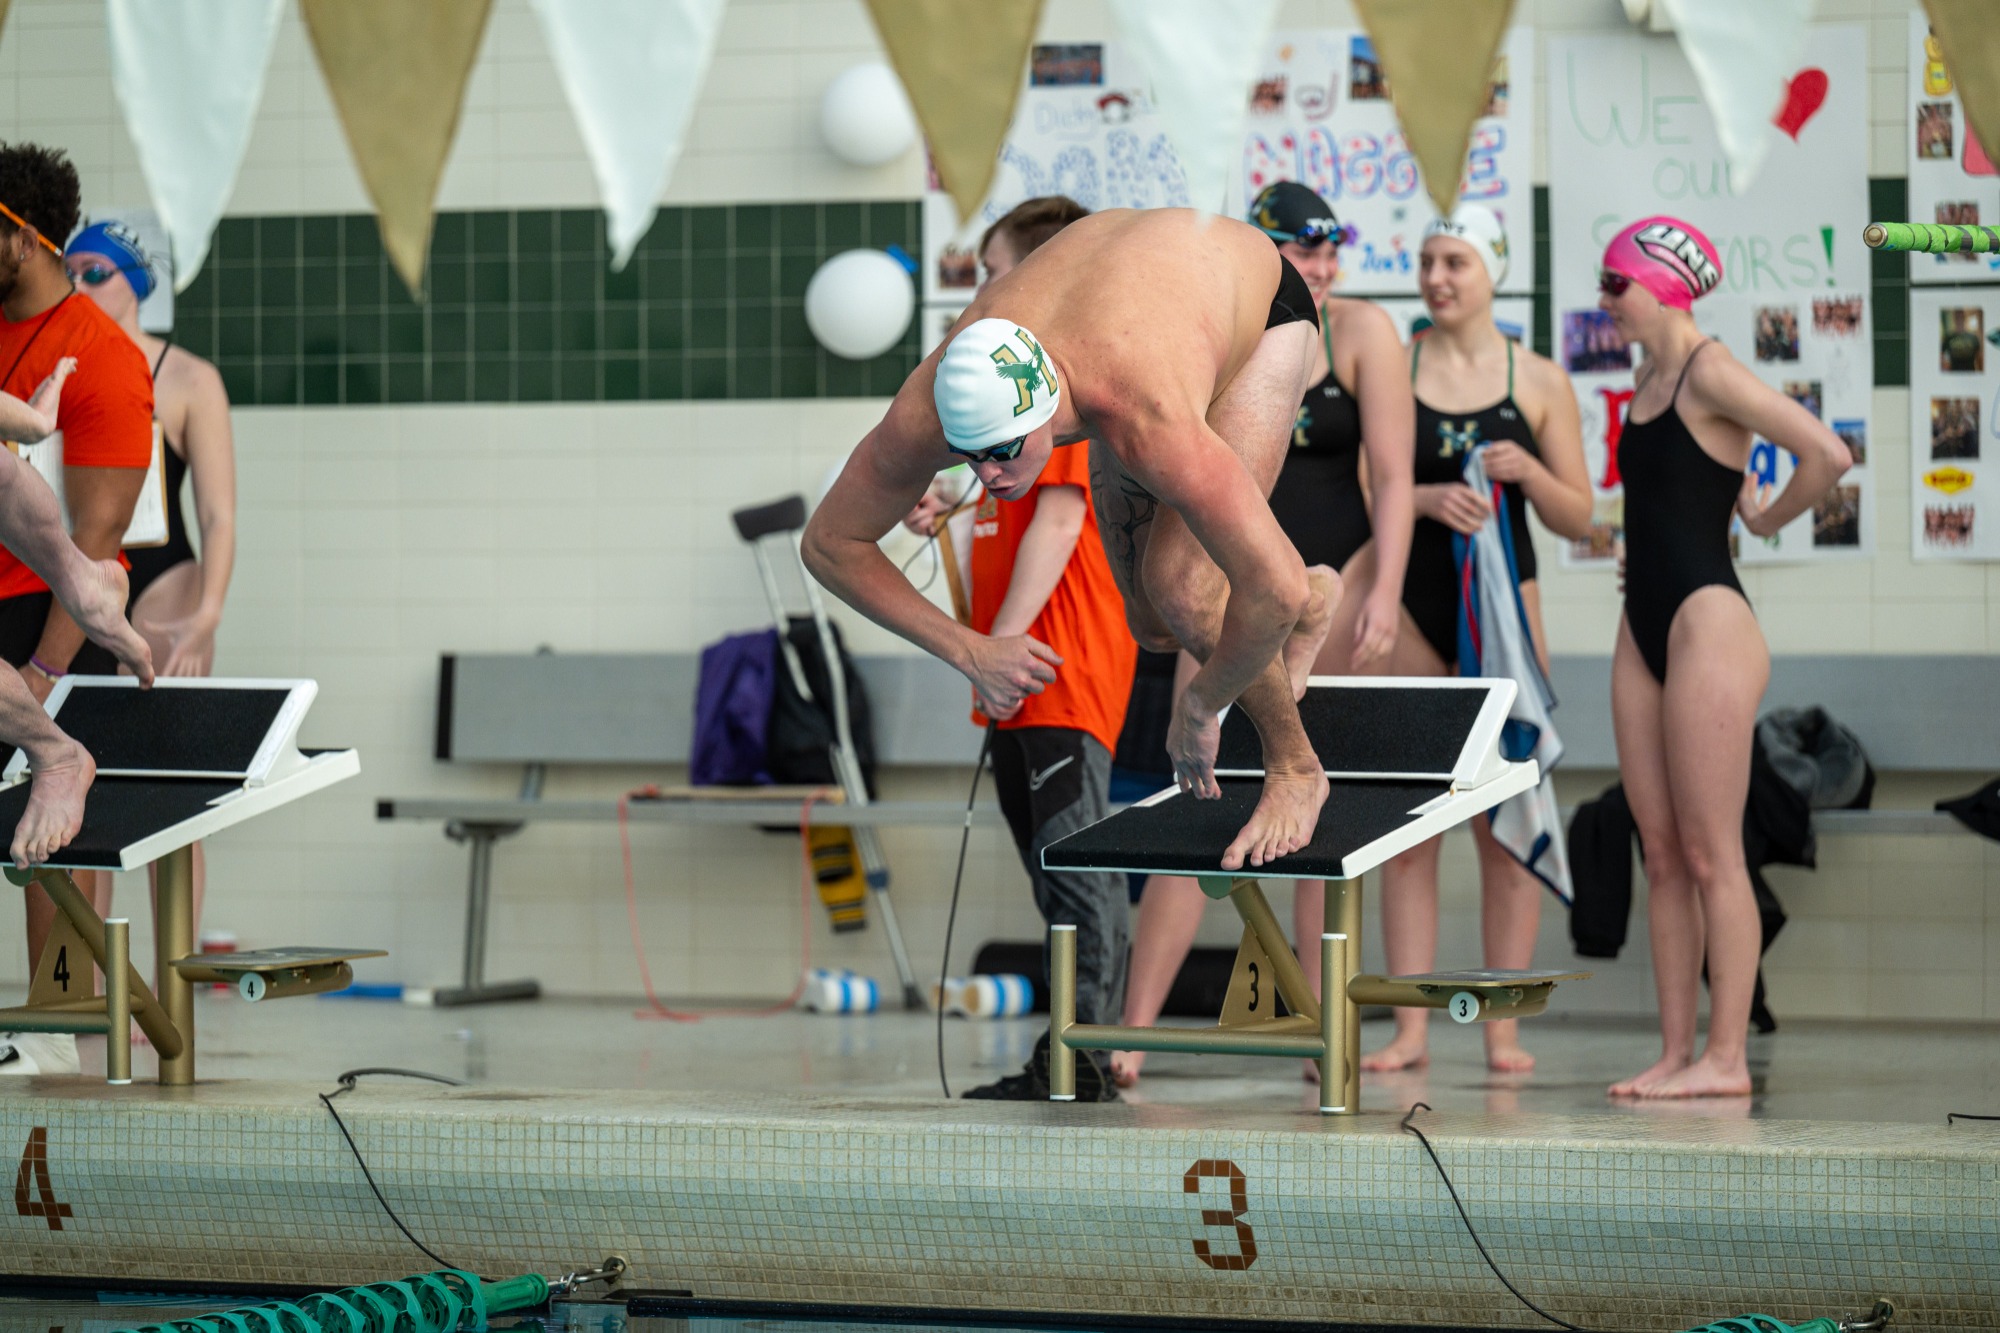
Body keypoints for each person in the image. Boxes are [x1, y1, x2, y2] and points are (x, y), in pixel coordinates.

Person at [803, 207, 1341, 876]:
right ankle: (1318, 598)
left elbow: (1271, 588)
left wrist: (1203, 705)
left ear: (1051, 408)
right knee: (1150, 622)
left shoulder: (1142, 411)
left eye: (1003, 451)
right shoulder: (928, 407)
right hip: (1131, 303)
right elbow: (828, 544)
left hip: (1257, 310)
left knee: (1185, 589)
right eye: (968, 456)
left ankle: (1295, 767)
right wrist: (968, 650)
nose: (989, 475)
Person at [1109, 182, 1416, 1089]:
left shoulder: (1362, 336)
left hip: (1337, 579)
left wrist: (1383, 589)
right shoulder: (1233, 329)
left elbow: (1392, 479)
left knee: (1317, 829)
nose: (1317, 269)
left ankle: (1324, 1031)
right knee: (1194, 800)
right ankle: (1133, 1028)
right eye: (1299, 252)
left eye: (1328, 253)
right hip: (1227, 587)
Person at [1597, 216, 1849, 1099]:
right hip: (1645, 622)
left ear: (1661, 283)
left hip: (1708, 621)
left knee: (1712, 855)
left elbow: (1828, 451)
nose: (1604, 300)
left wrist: (1766, 519)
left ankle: (1728, 1057)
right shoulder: (1647, 376)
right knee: (1659, 853)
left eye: (1614, 282)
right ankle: (1677, 1052)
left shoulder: (1712, 369)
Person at [905, 196, 1136, 1102]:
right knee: (1053, 875)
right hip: (1018, 670)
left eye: (994, 269)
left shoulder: (1057, 380)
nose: (982, 286)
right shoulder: (1007, 393)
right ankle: (1071, 1050)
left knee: (1078, 872)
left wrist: (1003, 639)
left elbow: (1063, 508)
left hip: (1056, 663)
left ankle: (1082, 1061)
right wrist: (950, 508)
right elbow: (1009, 499)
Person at [1363, 204, 1593, 1076]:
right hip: (1419, 613)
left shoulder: (1535, 380)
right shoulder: (1397, 366)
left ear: (1492, 270)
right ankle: (1413, 1028)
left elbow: (1578, 513)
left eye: (1455, 261)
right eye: (1426, 262)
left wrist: (1529, 471)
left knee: (1505, 825)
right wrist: (1422, 501)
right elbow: (1365, 488)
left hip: (1506, 614)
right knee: (1413, 826)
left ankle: (1502, 1025)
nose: (1436, 278)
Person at [0, 142, 158, 1077]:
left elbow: (96, 540)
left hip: (52, 615)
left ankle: (60, 1030)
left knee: (45, 831)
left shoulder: (101, 357)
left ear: (21, 236)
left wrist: (45, 676)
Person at [66, 219, 237, 936]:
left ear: (135, 283)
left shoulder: (191, 380)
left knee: (173, 790)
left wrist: (207, 616)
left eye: (94, 274)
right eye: (67, 274)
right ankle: (79, 985)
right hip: (83, 580)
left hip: (166, 583)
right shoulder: (62, 372)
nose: (76, 288)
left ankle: (172, 982)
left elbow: (219, 514)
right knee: (73, 782)